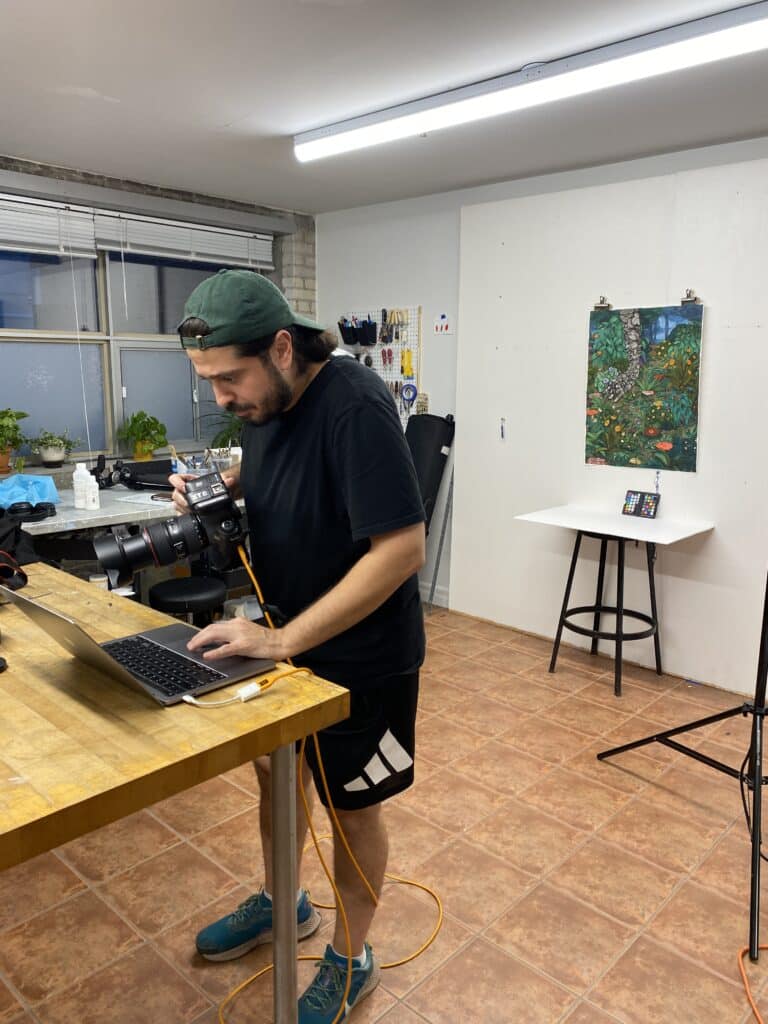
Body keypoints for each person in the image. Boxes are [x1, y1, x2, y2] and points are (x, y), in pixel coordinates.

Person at [172, 269, 426, 1023]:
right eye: (210, 381)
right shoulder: (265, 397)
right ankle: (287, 904)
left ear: (283, 347)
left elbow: (402, 548)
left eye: (229, 378)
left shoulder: (354, 405)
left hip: (362, 659)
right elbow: (275, 464)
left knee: (352, 813)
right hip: (284, 643)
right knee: (277, 781)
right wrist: (226, 482)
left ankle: (353, 955)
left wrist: (281, 639)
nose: (222, 398)